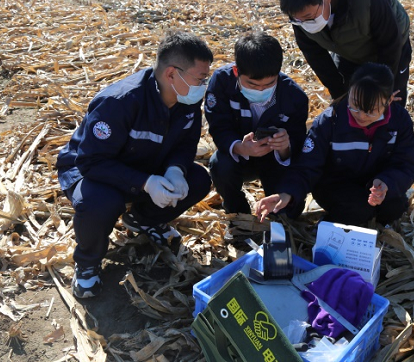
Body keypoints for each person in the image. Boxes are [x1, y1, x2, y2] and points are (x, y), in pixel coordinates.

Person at [56, 30, 214, 298]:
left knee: (198, 180)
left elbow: (186, 143)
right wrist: (145, 182)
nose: (204, 85)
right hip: (96, 170)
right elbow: (91, 161)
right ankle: (87, 264)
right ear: (172, 74)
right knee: (99, 202)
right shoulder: (119, 102)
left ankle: (141, 220)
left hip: (146, 163)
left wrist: (176, 170)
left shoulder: (187, 100)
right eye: (200, 78)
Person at [256, 63, 414, 226]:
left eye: (371, 110)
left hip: (374, 182)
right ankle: (330, 223)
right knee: (357, 210)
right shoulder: (329, 121)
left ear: (389, 100)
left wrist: (386, 183)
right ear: (349, 91)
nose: (361, 115)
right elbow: (307, 166)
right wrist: (287, 194)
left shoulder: (399, 120)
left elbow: (406, 164)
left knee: (394, 207)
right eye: (355, 104)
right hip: (335, 184)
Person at [278, 0, 412, 106]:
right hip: (347, 52)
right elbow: (315, 55)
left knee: (387, 104)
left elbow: (389, 42)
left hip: (392, 49)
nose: (304, 24)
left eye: (310, 18)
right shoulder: (300, 15)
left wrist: (382, 88)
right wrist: (339, 94)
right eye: (298, 20)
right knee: (348, 104)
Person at [204, 31, 308, 217]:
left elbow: (299, 142)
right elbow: (219, 126)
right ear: (236, 71)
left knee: (287, 215)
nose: (261, 90)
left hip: (274, 162)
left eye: (269, 84)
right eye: (252, 85)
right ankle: (237, 212)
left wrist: (285, 147)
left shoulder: (294, 97)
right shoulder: (221, 82)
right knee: (220, 165)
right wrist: (239, 147)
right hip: (240, 157)